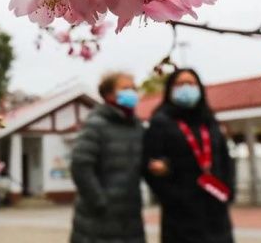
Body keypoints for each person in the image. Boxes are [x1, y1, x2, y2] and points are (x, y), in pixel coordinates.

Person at [143, 68, 235, 243]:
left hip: (216, 209)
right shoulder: (161, 122)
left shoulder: (210, 121)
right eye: (180, 84)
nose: (186, 88)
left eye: (191, 83)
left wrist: (228, 191)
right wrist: (172, 198)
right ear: (170, 89)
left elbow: (225, 159)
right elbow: (150, 166)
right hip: (180, 214)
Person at [70, 72, 145, 243]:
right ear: (109, 93)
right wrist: (99, 202)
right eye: (126, 88)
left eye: (134, 88)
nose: (132, 92)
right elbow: (80, 167)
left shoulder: (137, 126)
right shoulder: (96, 124)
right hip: (98, 220)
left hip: (130, 218)